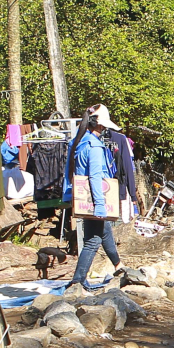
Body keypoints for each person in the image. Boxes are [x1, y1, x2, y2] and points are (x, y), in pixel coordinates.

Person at [69, 105, 127, 289]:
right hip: (94, 198)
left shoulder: (80, 141)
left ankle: (118, 265)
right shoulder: (93, 146)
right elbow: (95, 176)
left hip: (87, 198)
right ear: (100, 126)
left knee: (105, 231)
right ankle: (77, 281)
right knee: (93, 240)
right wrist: (100, 205)